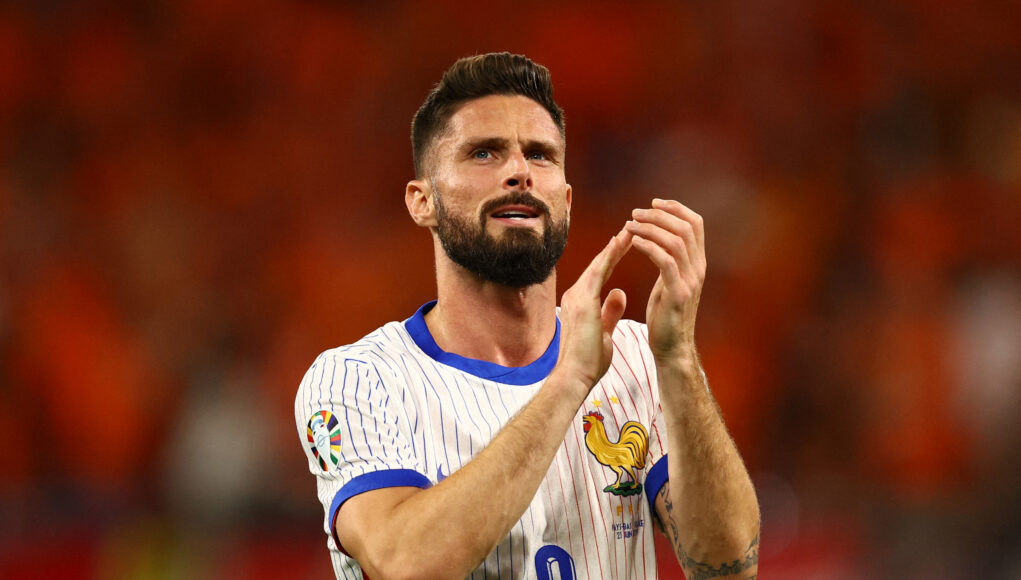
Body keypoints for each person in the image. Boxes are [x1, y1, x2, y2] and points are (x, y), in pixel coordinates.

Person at [295, 52, 760, 580]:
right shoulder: (359, 380)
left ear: (565, 199)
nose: (519, 171)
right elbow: (405, 565)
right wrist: (569, 380)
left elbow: (729, 567)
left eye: (539, 155)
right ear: (422, 201)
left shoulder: (638, 361)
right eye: (484, 154)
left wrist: (676, 360)